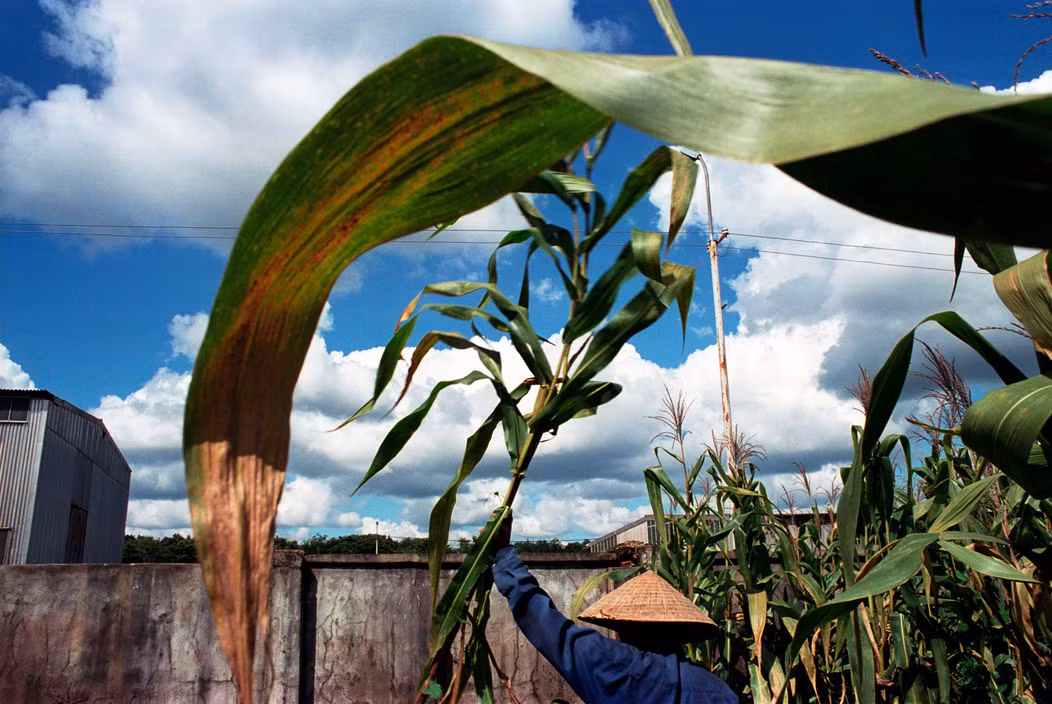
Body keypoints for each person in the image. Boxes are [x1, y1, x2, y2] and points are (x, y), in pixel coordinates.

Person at [490, 510, 738, 704]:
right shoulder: (719, 691)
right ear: (682, 631)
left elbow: (550, 628)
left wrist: (503, 552)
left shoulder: (617, 669)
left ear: (623, 627)